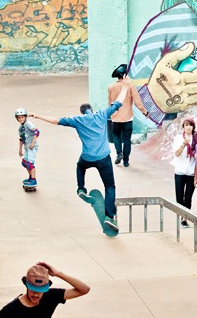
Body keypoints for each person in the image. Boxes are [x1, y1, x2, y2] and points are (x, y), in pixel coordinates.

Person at [28, 77, 133, 233]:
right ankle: (110, 216)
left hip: (88, 157)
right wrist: (125, 86)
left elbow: (56, 120)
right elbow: (119, 102)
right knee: (110, 187)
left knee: (80, 166)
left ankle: (81, 189)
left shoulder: (77, 120)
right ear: (91, 109)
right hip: (104, 158)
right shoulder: (102, 115)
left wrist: (37, 116)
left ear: (82, 112)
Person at [107, 63, 148, 167]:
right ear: (125, 75)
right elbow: (137, 101)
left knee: (116, 135)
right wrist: (145, 112)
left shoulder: (111, 87)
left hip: (115, 117)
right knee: (126, 139)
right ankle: (125, 161)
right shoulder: (130, 86)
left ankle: (119, 153)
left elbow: (110, 102)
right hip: (127, 118)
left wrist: (110, 114)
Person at [171, 117, 197, 228]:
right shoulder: (178, 138)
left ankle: (184, 218)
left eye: (190, 125)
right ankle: (182, 214)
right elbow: (176, 153)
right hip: (180, 171)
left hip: (191, 172)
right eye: (186, 125)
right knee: (179, 196)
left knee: (188, 197)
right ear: (183, 127)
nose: (188, 127)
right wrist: (184, 144)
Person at [15, 108, 39, 187]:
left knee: (30, 164)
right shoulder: (20, 128)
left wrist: (32, 143)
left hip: (32, 146)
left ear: (25, 117)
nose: (20, 119)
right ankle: (30, 177)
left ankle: (33, 180)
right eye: (19, 117)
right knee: (24, 162)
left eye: (22, 117)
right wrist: (20, 150)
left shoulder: (28, 124)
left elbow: (37, 132)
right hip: (26, 147)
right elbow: (21, 139)